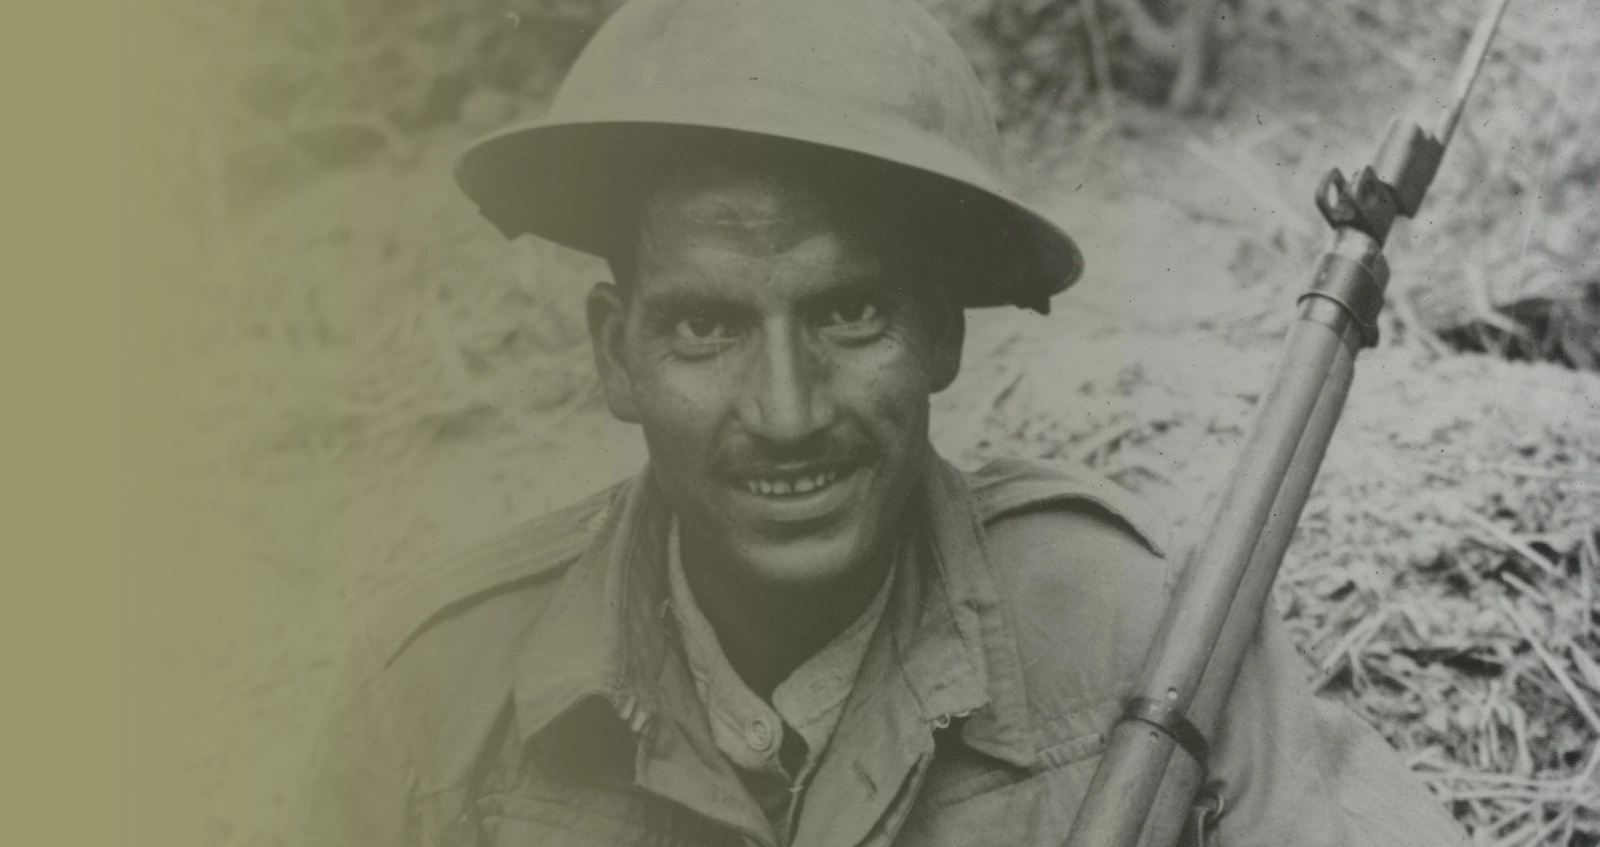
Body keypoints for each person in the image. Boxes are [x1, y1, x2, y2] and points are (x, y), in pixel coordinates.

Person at [303, 0, 1467, 844]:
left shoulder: (1138, 636)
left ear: (943, 331)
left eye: (850, 313)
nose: (787, 409)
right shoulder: (437, 703)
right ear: (617, 352)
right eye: (706, 327)